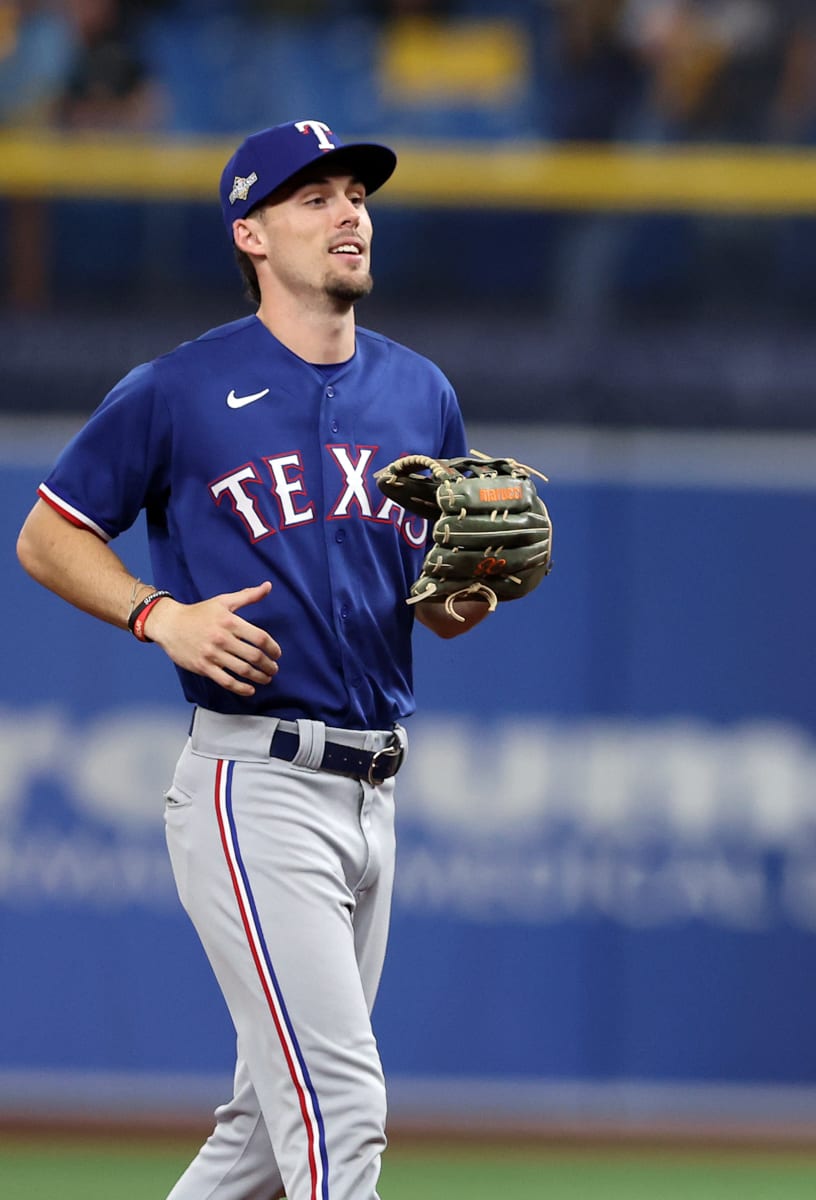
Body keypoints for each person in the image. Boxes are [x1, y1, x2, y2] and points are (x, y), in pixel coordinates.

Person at [15, 119, 488, 1200]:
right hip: (254, 781)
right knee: (339, 1111)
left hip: (375, 787)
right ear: (252, 234)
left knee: (267, 1142)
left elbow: (449, 607)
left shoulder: (422, 394)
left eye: (356, 195)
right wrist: (157, 616)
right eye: (312, 198)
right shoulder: (180, 389)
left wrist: (472, 589)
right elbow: (48, 534)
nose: (349, 214)